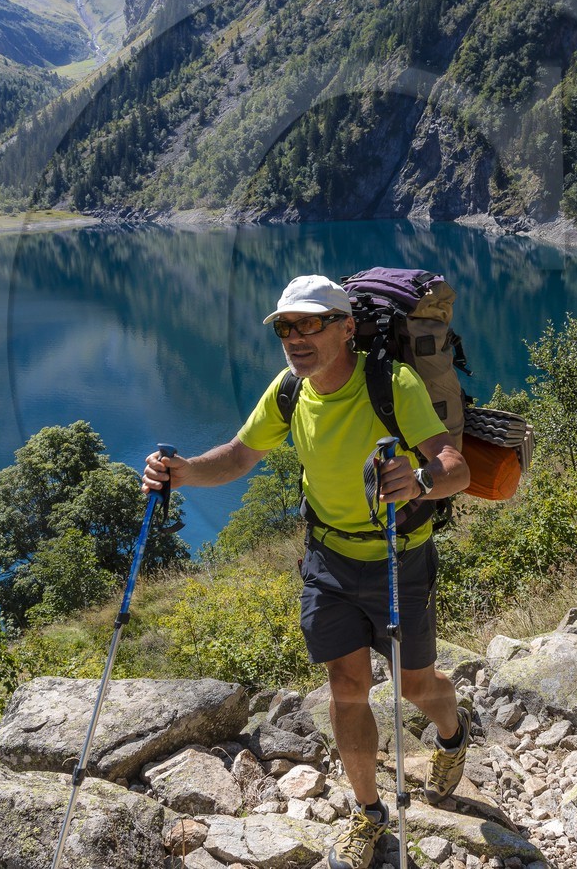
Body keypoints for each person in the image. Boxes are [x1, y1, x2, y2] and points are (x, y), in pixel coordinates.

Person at [142, 275, 471, 869]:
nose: (295, 337)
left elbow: (455, 467)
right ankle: (368, 813)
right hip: (328, 560)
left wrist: (420, 479)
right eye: (286, 327)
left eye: (309, 324)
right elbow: (241, 455)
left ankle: (452, 732)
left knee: (414, 687)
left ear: (346, 328)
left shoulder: (392, 384)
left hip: (400, 557)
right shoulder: (289, 391)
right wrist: (183, 472)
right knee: (347, 689)